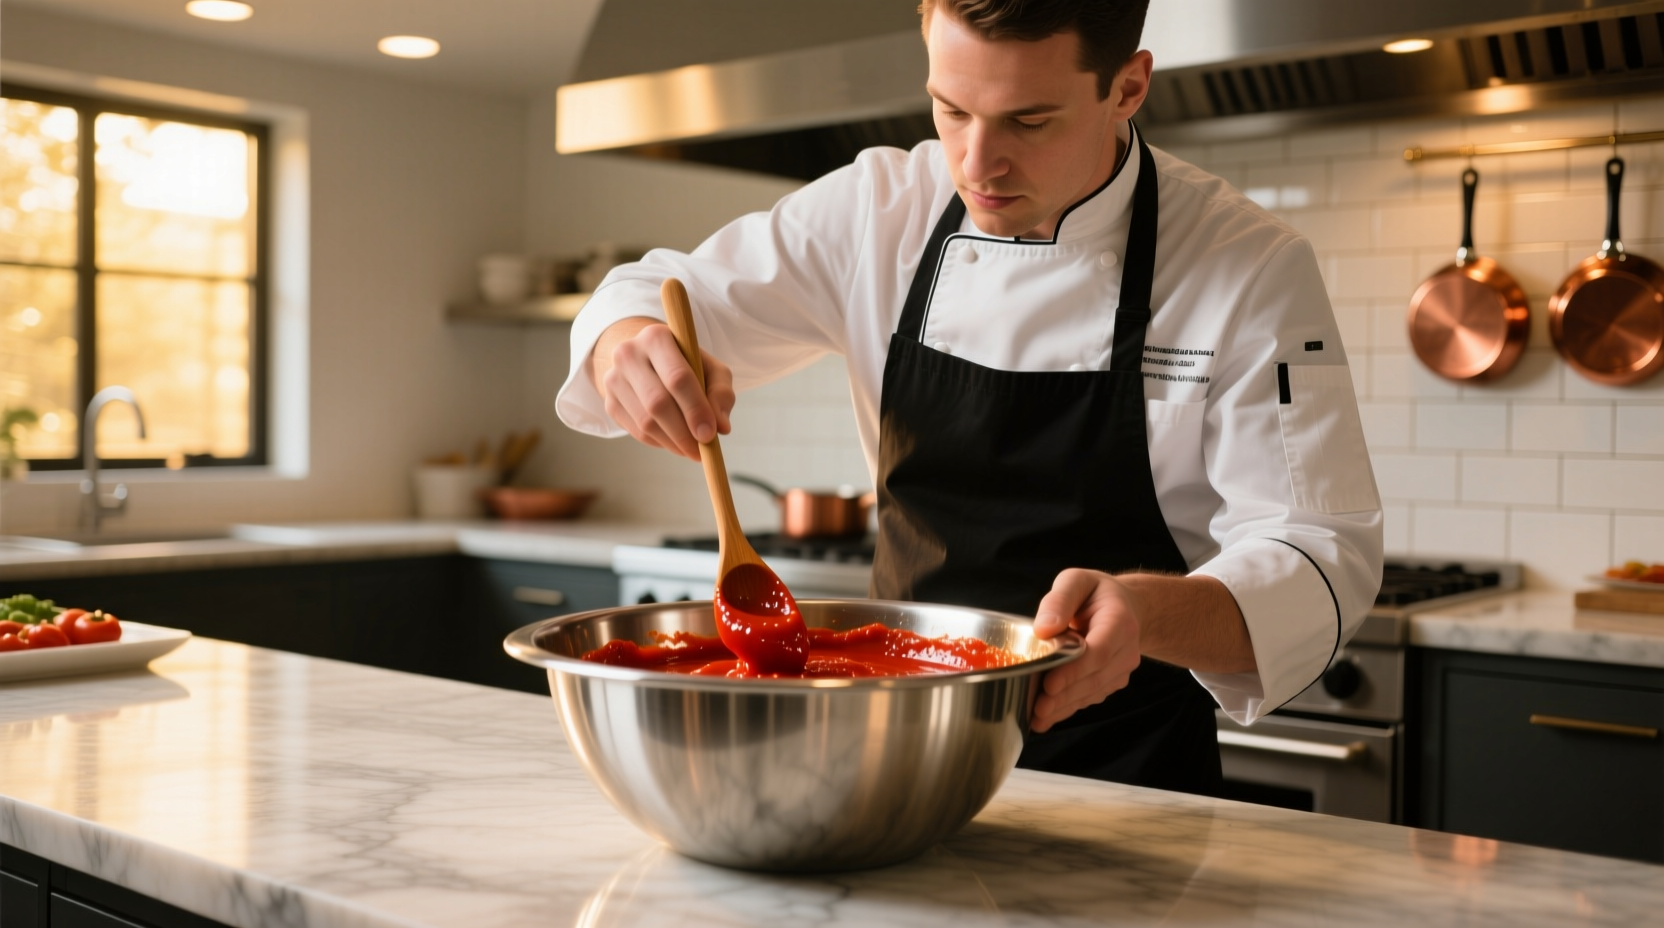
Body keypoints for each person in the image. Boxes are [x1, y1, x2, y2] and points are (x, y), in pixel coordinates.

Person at [555, 0, 1383, 796]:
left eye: (1028, 122)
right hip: (893, 766)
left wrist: (1144, 610)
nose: (977, 164)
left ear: (1127, 88)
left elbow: (1320, 558)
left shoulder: (1246, 267)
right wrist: (625, 345)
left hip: (1129, 789)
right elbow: (656, 289)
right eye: (950, 110)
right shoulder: (880, 209)